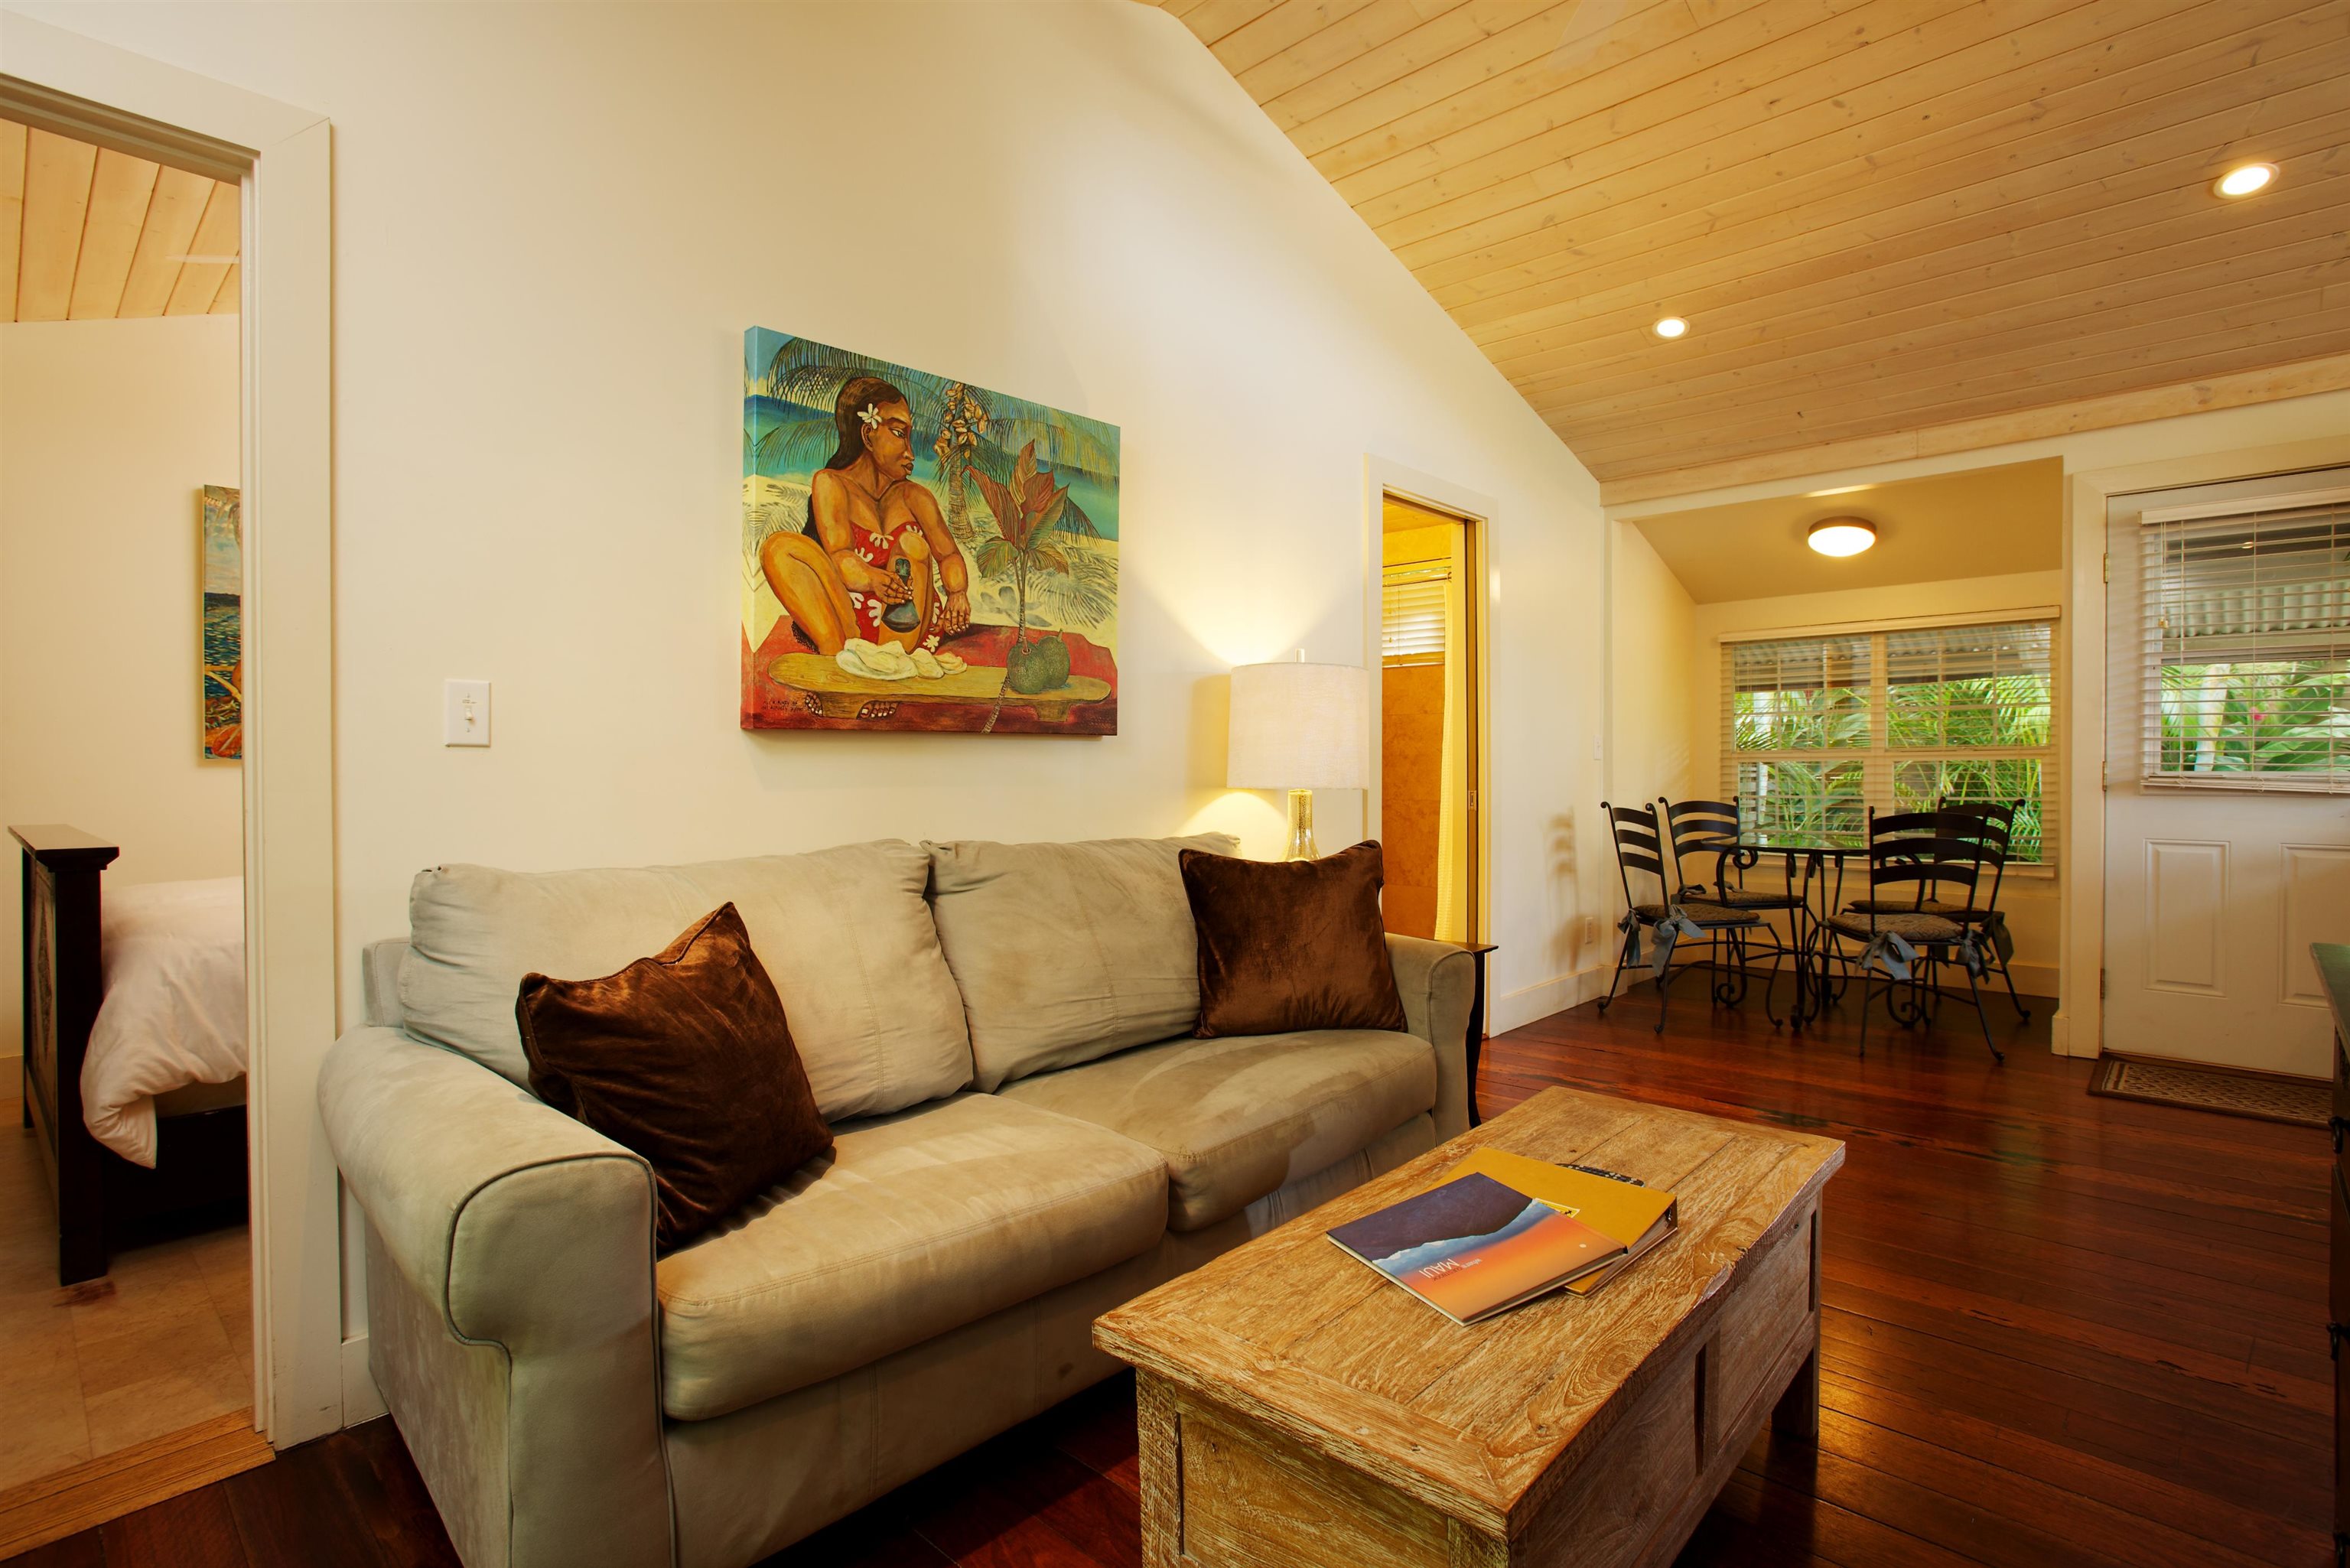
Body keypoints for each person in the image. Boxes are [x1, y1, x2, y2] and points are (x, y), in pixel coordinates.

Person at [760, 375, 972, 656]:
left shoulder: (917, 497)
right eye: (899, 434)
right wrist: (873, 579)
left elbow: (949, 556)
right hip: (850, 623)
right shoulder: (831, 484)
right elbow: (840, 555)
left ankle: (890, 660)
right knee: (779, 547)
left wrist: (957, 594)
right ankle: (835, 650)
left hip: (905, 627)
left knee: (912, 545)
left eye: (909, 436)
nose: (911, 452)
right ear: (867, 435)